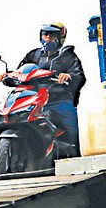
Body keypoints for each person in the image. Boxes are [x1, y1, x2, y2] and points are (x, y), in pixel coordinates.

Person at [14, 22, 86, 156]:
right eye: (45, 34)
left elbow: (80, 76)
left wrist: (68, 76)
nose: (47, 38)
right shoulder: (33, 55)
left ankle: (77, 159)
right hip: (34, 100)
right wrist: (8, 75)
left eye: (52, 35)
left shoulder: (68, 56)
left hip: (59, 100)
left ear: (60, 37)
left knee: (74, 134)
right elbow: (20, 71)